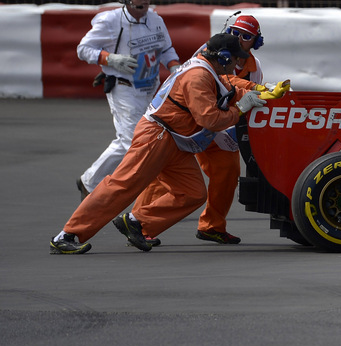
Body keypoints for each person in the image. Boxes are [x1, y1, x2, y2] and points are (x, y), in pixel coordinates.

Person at [50, 34, 269, 254]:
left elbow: (226, 90)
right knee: (122, 185)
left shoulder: (208, 70)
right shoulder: (198, 76)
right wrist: (240, 108)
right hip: (157, 136)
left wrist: (260, 92)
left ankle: (136, 223)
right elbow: (209, 119)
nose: (238, 64)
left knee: (192, 192)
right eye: (235, 59)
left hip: (174, 140)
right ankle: (67, 235)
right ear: (222, 57)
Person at [132, 12, 268, 245]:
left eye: (244, 36)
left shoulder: (254, 67)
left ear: (255, 42)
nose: (237, 38)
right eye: (233, 32)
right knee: (162, 173)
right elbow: (225, 82)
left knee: (228, 171)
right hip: (187, 124)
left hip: (220, 126)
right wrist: (256, 88)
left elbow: (249, 102)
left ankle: (212, 226)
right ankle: (139, 226)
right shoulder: (209, 51)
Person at [74, 0, 180, 198]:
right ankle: (90, 182)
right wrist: (110, 59)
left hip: (152, 89)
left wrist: (174, 68)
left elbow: (167, 48)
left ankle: (150, 192)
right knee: (131, 141)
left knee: (156, 138)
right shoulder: (110, 20)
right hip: (124, 88)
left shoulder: (156, 20)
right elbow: (83, 49)